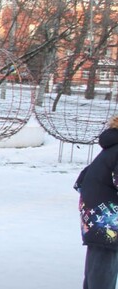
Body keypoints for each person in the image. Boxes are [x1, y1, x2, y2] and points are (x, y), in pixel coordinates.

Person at [75, 117, 118, 289]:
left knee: (97, 269)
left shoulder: (111, 148)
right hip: (107, 219)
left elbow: (83, 179)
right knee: (103, 272)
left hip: (98, 216)